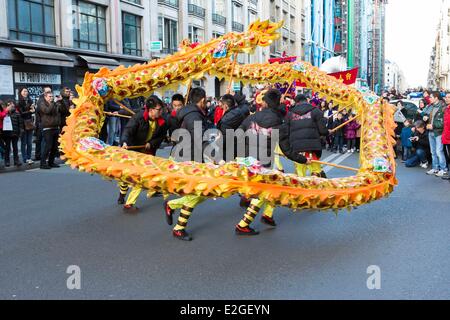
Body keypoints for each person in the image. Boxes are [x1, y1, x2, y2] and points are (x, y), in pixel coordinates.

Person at [234, 89, 284, 236]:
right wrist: (300, 158)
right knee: (263, 191)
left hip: (250, 159)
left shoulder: (252, 117)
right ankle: (243, 224)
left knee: (270, 188)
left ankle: (267, 215)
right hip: (263, 162)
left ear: (265, 102)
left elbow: (238, 132)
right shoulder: (277, 120)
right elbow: (285, 145)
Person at [164, 88, 211, 241]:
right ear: (202, 100)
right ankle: (176, 218)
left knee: (200, 193)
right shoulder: (194, 116)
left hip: (190, 156)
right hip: (188, 158)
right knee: (200, 192)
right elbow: (200, 139)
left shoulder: (192, 113)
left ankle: (176, 217)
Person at [118, 96, 167, 210]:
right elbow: (128, 130)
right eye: (158, 109)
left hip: (148, 151)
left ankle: (129, 203)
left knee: (141, 177)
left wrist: (151, 143)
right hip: (134, 149)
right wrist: (124, 141)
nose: (161, 111)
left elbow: (160, 137)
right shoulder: (138, 117)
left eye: (161, 109)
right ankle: (122, 194)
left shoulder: (162, 121)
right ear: (150, 110)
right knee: (127, 175)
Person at [279, 94, 328, 177]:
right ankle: (318, 188)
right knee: (316, 171)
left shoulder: (289, 114)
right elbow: (323, 131)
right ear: (307, 100)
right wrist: (327, 132)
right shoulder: (316, 111)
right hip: (312, 148)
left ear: (296, 102)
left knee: (300, 174)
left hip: (297, 148)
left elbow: (285, 133)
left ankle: (302, 188)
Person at [425, 91, 448, 177]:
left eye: (431, 97)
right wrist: (426, 118)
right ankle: (435, 168)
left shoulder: (443, 107)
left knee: (439, 151)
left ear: (436, 98)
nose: (429, 98)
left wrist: (433, 125)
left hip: (438, 132)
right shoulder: (431, 106)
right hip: (431, 132)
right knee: (433, 152)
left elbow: (444, 123)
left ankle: (443, 169)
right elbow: (428, 116)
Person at [38, 91, 61, 169]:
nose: (51, 98)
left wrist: (60, 101)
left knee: (55, 147)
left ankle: (51, 162)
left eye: (52, 96)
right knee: (48, 146)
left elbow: (63, 111)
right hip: (47, 128)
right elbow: (47, 111)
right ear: (45, 97)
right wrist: (53, 103)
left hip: (55, 127)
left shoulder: (55, 103)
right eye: (49, 96)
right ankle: (42, 163)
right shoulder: (42, 104)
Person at [2, 100, 23, 167]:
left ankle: (16, 161)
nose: (11, 106)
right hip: (7, 134)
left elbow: (20, 123)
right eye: (9, 104)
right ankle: (7, 161)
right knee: (7, 148)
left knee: (15, 147)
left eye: (12, 104)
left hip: (15, 133)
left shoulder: (17, 113)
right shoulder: (4, 113)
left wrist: (20, 131)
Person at [17, 87, 35, 164]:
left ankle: (29, 157)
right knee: (24, 142)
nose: (25, 92)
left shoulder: (30, 100)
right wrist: (30, 111)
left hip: (30, 123)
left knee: (30, 143)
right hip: (22, 124)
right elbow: (21, 113)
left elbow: (33, 111)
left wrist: (33, 110)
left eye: (26, 91)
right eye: (24, 91)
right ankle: (24, 158)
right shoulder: (19, 102)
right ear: (20, 92)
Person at [34, 86, 52, 161]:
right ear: (44, 92)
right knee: (41, 140)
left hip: (46, 122)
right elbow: (44, 111)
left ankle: (41, 156)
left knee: (42, 140)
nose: (49, 93)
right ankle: (41, 156)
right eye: (47, 92)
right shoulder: (41, 101)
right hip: (41, 122)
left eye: (50, 91)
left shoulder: (49, 100)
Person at [441, 93, 450, 180]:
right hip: (446, 136)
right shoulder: (446, 109)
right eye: (446, 97)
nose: (446, 99)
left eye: (448, 97)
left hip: (448, 137)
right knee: (448, 155)